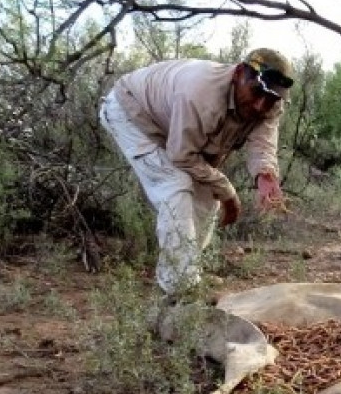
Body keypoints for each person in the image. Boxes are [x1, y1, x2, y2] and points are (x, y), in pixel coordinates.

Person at [99, 48, 294, 299]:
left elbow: (263, 143)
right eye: (257, 92)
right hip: (131, 113)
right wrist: (229, 194)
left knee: (206, 194)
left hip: (175, 128)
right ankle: (180, 290)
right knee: (176, 186)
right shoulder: (201, 94)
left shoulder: (270, 104)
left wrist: (265, 175)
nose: (260, 105)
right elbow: (182, 156)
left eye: (270, 99)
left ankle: (189, 272)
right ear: (238, 74)